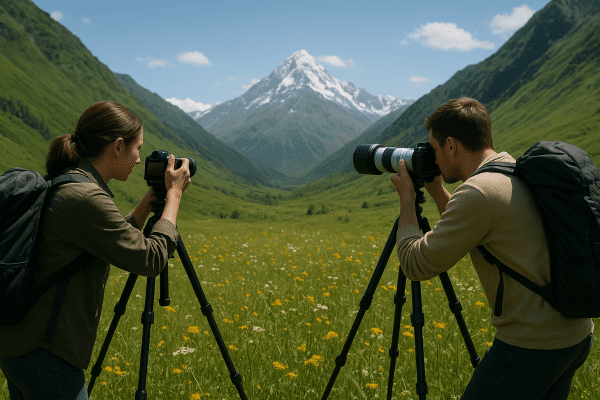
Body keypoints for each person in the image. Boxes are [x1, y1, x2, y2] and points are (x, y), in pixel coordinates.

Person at [390, 97, 594, 400]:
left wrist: (407, 201)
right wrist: (436, 190)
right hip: (574, 336)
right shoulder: (511, 169)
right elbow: (476, 225)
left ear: (451, 145)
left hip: (530, 346)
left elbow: (416, 264)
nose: (433, 159)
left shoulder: (478, 192)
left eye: (433, 150)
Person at [0, 101, 191, 399]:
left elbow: (112, 236)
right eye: (136, 148)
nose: (140, 159)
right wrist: (175, 196)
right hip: (47, 353)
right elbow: (151, 258)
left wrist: (153, 196)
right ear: (117, 146)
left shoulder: (69, 181)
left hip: (20, 344)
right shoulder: (87, 198)